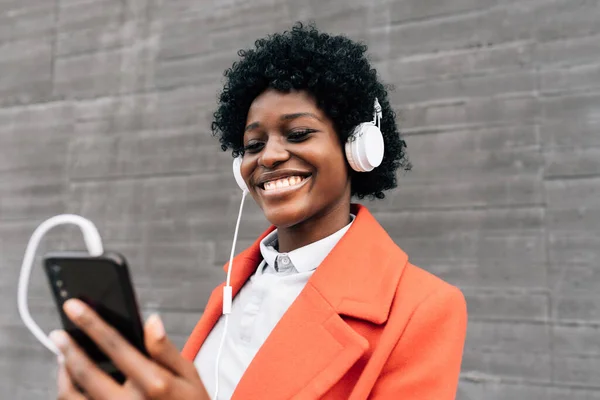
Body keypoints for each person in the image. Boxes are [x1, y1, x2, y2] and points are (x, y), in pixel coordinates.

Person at [50, 23, 467, 399]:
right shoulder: (234, 287)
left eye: (299, 133)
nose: (268, 157)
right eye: (253, 145)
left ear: (360, 148)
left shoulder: (423, 309)